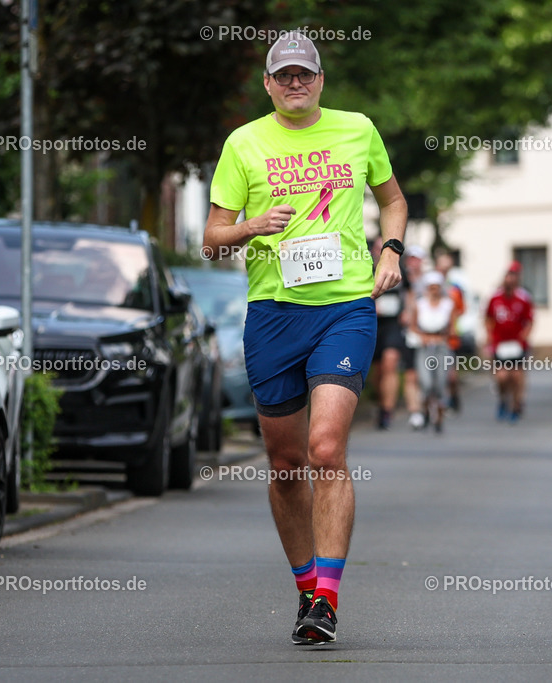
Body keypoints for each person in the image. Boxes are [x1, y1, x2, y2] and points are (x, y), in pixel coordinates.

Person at [203, 32, 406, 645]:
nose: (295, 83)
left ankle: (328, 597)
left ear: (321, 80)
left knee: (324, 449)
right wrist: (251, 226)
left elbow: (393, 201)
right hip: (272, 315)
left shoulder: (358, 129)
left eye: (305, 74)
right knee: (287, 462)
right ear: (267, 84)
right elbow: (210, 238)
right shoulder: (244, 143)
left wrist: (390, 249)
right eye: (283, 75)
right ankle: (304, 588)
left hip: (344, 308)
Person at [485, 263, 534, 423]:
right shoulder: (495, 298)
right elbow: (488, 318)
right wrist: (490, 339)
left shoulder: (523, 298)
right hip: (500, 344)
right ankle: (503, 400)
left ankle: (516, 404)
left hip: (516, 344)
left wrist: (523, 338)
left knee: (516, 376)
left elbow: (529, 321)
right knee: (502, 377)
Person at [412, 270, 457, 434]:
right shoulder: (420, 304)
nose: (433, 290)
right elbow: (413, 326)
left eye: (436, 287)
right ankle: (425, 408)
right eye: (430, 287)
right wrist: (422, 337)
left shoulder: (448, 304)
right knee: (426, 382)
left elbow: (453, 327)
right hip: (424, 347)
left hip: (441, 346)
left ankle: (439, 416)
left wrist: (445, 336)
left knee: (440, 383)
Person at [368, 236, 406, 430]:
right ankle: (380, 403)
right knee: (377, 373)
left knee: (390, 364)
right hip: (372, 324)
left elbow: (409, 292)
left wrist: (408, 312)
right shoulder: (365, 268)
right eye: (378, 248)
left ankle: (387, 412)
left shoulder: (399, 268)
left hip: (393, 325)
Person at [434, 251, 466, 412]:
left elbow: (461, 310)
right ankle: (438, 404)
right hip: (433, 336)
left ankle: (453, 396)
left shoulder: (455, 289)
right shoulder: (430, 285)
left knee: (450, 374)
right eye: (441, 266)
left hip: (450, 337)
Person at [401, 245, 428, 429]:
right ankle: (415, 411)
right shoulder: (399, 278)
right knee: (410, 374)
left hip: (428, 335)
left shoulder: (430, 282)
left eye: (416, 259)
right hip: (408, 334)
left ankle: (428, 407)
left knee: (425, 375)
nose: (413, 262)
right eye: (410, 258)